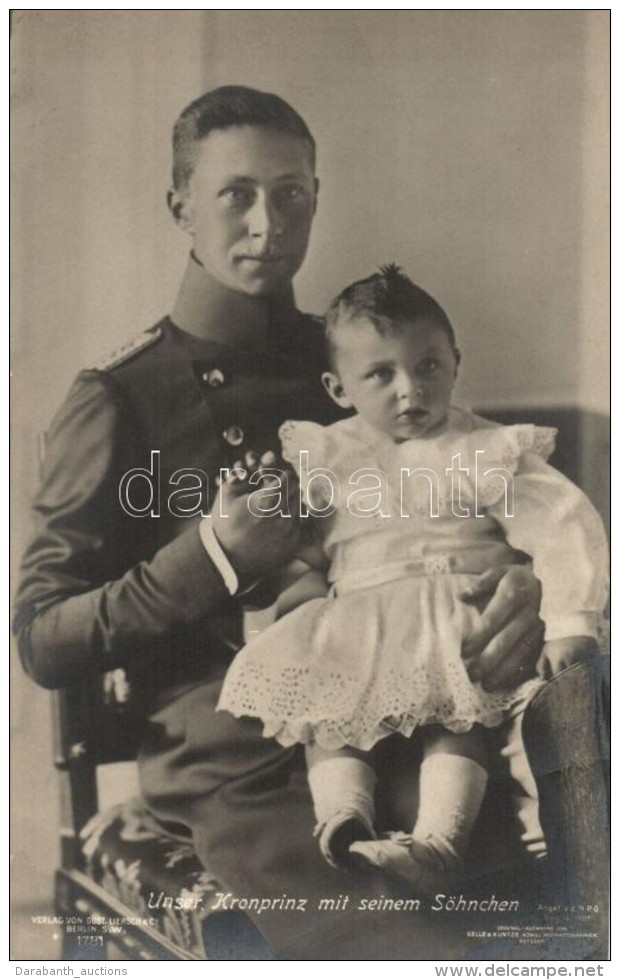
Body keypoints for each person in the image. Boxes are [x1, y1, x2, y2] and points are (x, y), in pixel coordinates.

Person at [14, 86, 547, 960]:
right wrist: (216, 556)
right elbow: (41, 639)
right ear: (179, 205)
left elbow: (478, 505)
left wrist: (519, 582)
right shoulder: (120, 395)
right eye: (237, 193)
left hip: (415, 702)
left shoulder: (366, 359)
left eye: (291, 192)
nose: (268, 221)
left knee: (531, 906)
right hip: (242, 750)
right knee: (395, 945)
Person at [217, 265, 607, 893]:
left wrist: (571, 623)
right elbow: (301, 551)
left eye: (428, 366)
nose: (410, 390)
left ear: (455, 361)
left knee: (456, 730)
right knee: (329, 723)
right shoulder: (327, 453)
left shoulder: (484, 447)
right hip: (361, 619)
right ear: (339, 388)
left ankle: (437, 844)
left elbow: (562, 524)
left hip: (456, 615)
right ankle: (344, 819)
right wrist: (267, 520)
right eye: (381, 374)